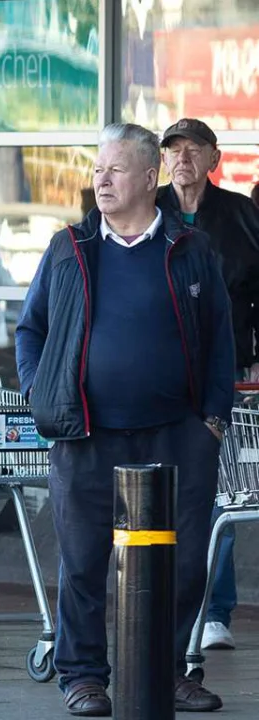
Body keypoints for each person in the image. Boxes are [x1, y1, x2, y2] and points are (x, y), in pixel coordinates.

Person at [17, 123, 232, 716]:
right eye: (96, 169)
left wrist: (212, 421)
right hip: (87, 432)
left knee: (184, 563)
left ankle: (162, 671)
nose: (102, 180)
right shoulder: (70, 248)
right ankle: (83, 676)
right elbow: (30, 329)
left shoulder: (191, 249)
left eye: (114, 169)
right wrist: (40, 391)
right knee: (84, 561)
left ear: (148, 177)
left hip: (178, 435)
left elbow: (220, 338)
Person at [155, 118, 259, 653]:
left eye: (193, 150)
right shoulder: (144, 211)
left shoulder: (241, 215)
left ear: (214, 159)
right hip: (159, 378)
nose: (182, 160)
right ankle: (160, 601)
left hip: (229, 375)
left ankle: (214, 611)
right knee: (161, 490)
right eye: (173, 151)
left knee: (222, 491)